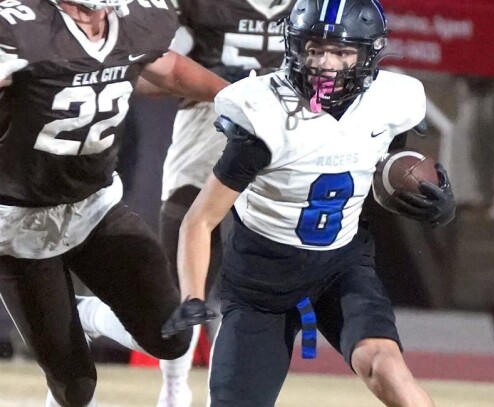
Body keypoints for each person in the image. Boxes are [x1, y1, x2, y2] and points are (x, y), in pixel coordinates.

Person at [161, 0, 455, 406]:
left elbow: (376, 172)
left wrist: (431, 204)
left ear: (368, 54)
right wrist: (192, 295)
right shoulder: (265, 114)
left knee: (383, 364)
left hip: (341, 267)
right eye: (314, 48)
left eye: (341, 51)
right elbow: (199, 220)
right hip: (261, 281)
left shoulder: (391, 100)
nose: (325, 63)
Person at [0, 0, 227, 406]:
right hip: (17, 224)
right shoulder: (21, 27)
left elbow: (167, 68)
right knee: (75, 387)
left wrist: (234, 100)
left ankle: (87, 315)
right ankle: (72, 325)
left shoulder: (135, 22)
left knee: (173, 336)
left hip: (95, 207)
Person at [156, 1, 295, 406]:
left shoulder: (313, 7)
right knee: (179, 272)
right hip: (207, 127)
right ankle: (174, 385)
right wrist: (219, 86)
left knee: (253, 280)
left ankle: (231, 391)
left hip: (282, 135)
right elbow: (148, 73)